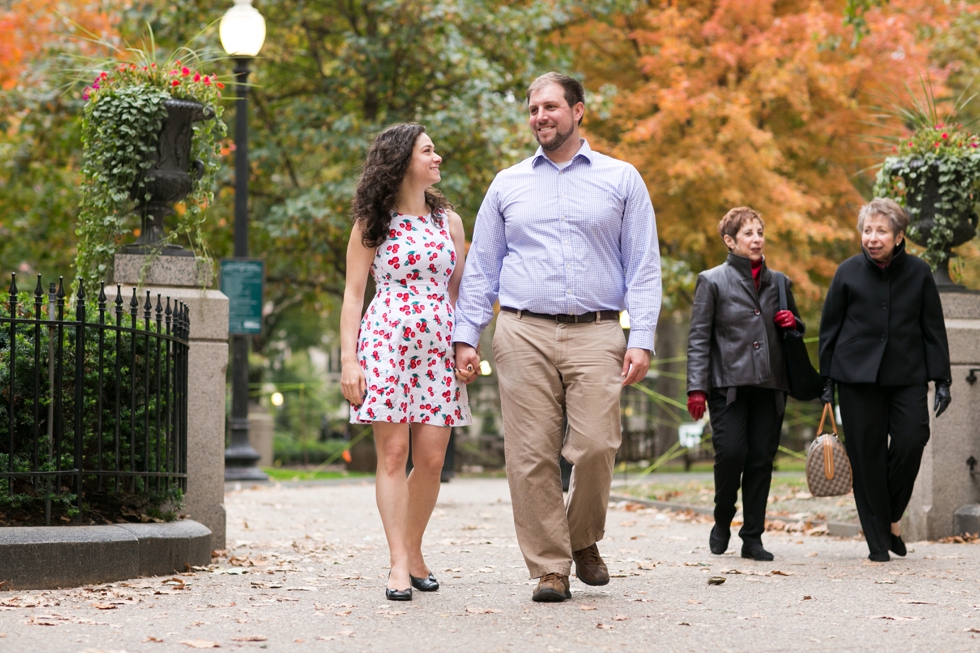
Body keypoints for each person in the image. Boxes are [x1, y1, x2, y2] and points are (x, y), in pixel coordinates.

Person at [453, 72, 662, 603]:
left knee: (596, 445)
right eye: (532, 109)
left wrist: (642, 337)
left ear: (578, 111)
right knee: (530, 454)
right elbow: (481, 268)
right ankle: (551, 566)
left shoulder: (622, 179)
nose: (540, 117)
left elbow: (643, 266)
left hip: (597, 330)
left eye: (550, 107)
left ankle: (582, 536)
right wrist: (466, 336)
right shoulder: (508, 183)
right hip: (521, 329)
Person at [340, 123, 473, 601]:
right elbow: (354, 295)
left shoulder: (449, 223)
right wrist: (348, 360)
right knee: (394, 454)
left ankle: (413, 548)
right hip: (386, 342)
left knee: (433, 458)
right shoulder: (372, 222)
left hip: (437, 347)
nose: (437, 158)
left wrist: (465, 345)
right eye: (428, 151)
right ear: (402, 161)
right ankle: (400, 561)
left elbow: (459, 294)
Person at [818, 198, 951, 562]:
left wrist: (942, 379)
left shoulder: (919, 272)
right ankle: (878, 540)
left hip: (907, 374)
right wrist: (826, 380)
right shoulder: (846, 272)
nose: (872, 238)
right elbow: (829, 329)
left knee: (912, 439)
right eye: (867, 230)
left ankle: (890, 515)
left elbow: (932, 329)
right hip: (856, 377)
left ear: (898, 236)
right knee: (866, 456)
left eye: (880, 231)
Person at [686, 207, 802, 562]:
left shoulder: (780, 282)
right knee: (732, 454)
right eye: (748, 234)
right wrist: (697, 388)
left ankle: (752, 536)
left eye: (759, 232)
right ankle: (723, 519)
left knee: (761, 461)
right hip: (728, 386)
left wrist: (792, 322)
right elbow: (698, 337)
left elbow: (796, 331)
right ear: (730, 241)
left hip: (770, 384)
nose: (756, 239)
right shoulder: (712, 280)